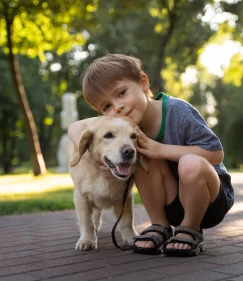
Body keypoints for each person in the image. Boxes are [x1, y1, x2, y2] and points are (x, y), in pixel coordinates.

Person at [68, 54, 234, 257]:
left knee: (189, 163)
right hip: (172, 203)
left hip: (210, 200)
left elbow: (216, 153)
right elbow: (75, 127)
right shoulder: (123, 125)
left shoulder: (178, 111)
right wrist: (92, 158)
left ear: (144, 82)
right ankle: (160, 226)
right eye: (106, 107)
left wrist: (161, 149)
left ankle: (190, 229)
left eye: (121, 93)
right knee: (141, 156)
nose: (117, 107)